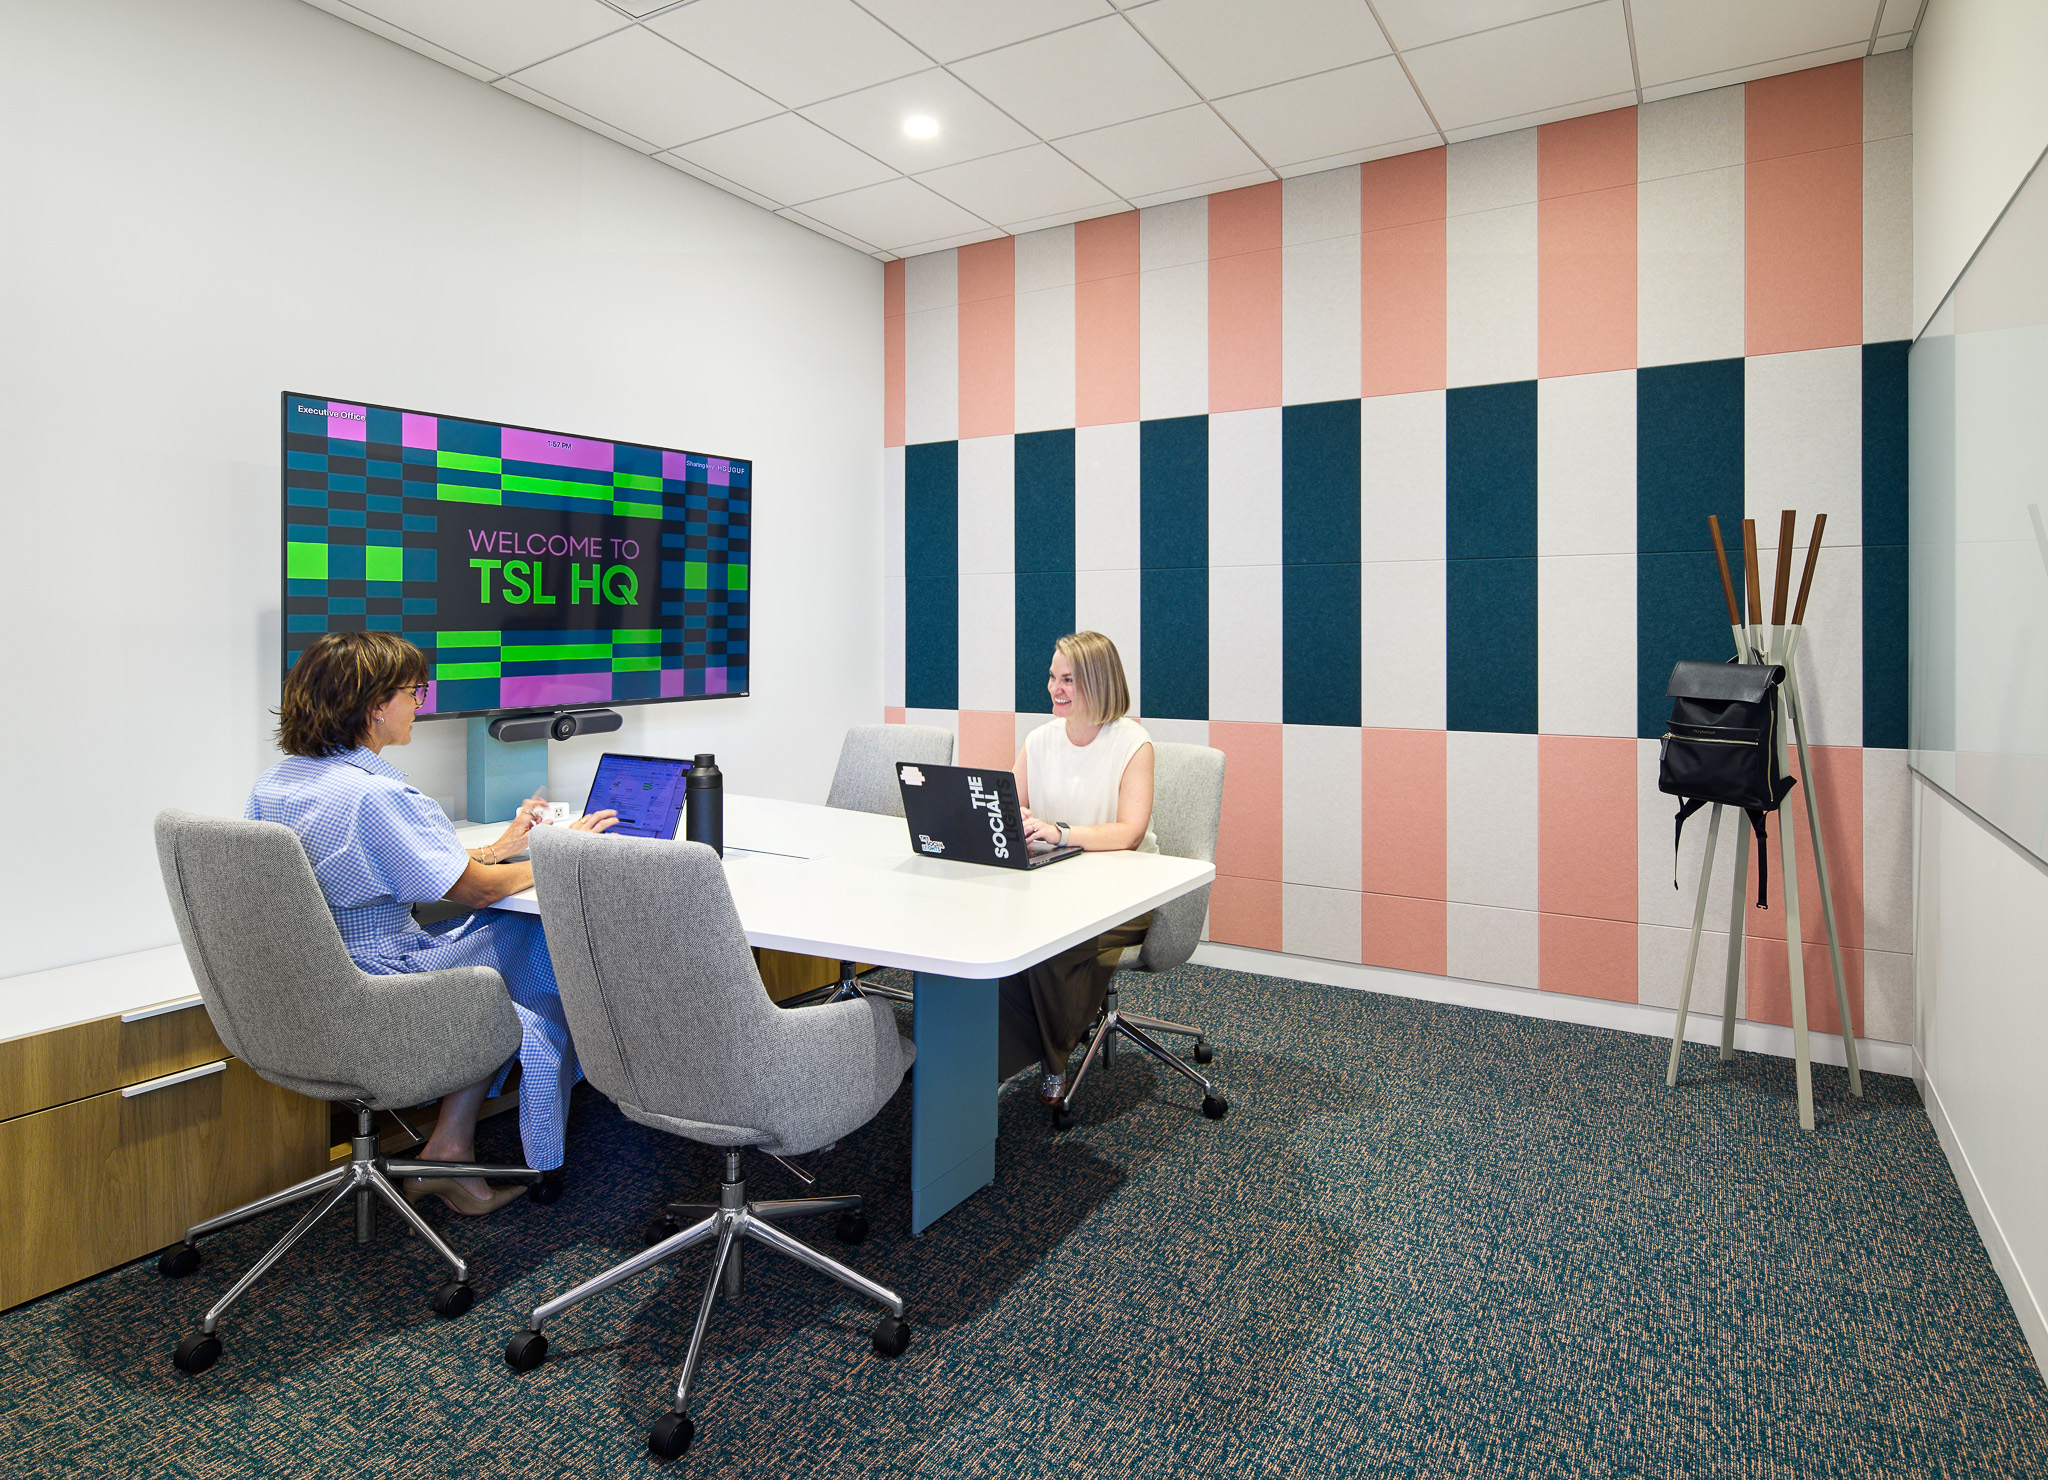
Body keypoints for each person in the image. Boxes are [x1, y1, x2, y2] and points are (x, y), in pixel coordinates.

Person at [246, 631, 617, 1214]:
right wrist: (562, 851)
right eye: (413, 692)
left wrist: (498, 849)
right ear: (376, 705)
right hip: (380, 988)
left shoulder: (277, 784)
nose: (419, 704)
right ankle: (519, 1126)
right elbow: (475, 893)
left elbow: (382, 866)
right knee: (533, 933)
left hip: (303, 987)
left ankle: (451, 1147)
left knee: (492, 967)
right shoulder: (377, 796)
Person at [1000, 630, 1157, 1104]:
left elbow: (1129, 832)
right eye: (1052, 677)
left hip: (1126, 893)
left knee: (1054, 948)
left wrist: (1060, 833)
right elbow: (1006, 810)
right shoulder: (1040, 740)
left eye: (1068, 679)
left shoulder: (1132, 743)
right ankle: (989, 1059)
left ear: (1098, 682)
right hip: (1055, 887)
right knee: (999, 937)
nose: (1054, 688)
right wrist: (1018, 821)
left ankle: (1053, 1058)